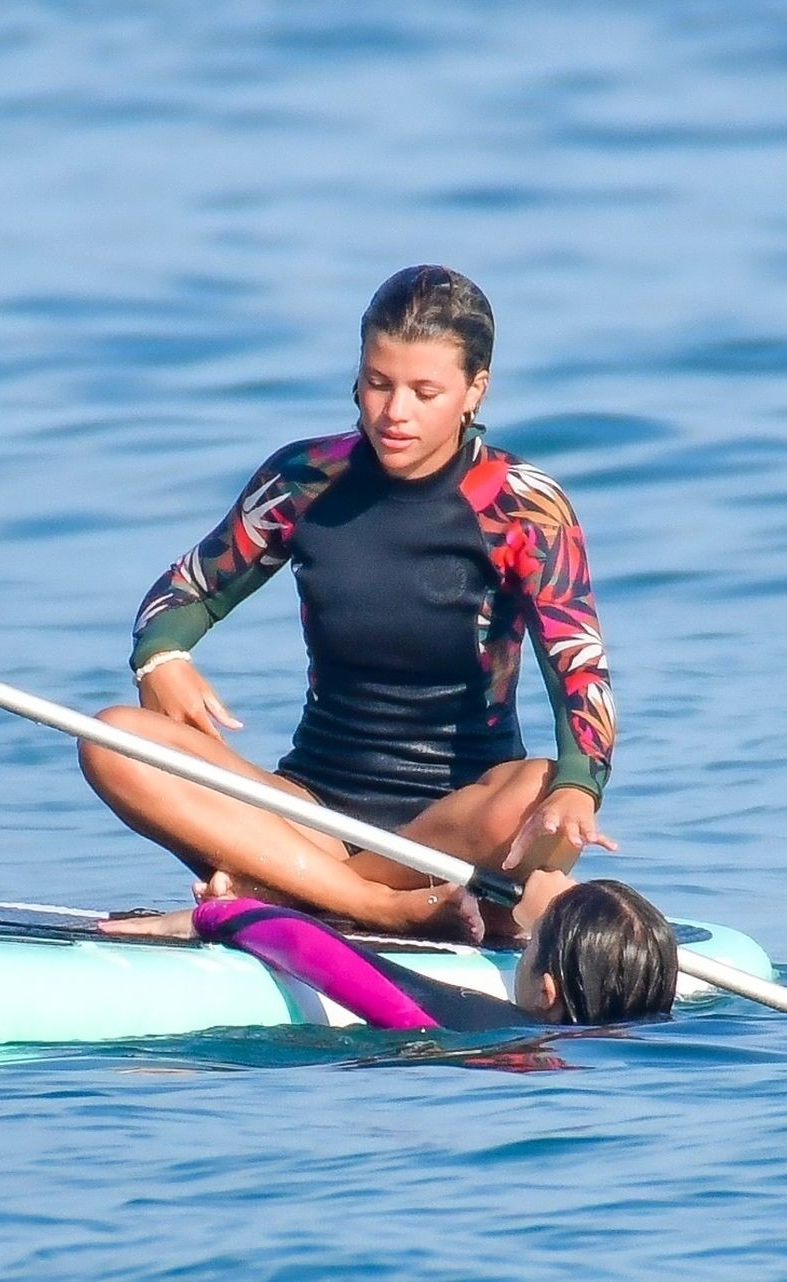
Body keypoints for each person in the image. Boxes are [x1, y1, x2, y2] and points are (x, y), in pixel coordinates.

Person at [80, 265, 617, 942]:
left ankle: (283, 888)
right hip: (310, 814)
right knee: (112, 739)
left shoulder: (523, 506)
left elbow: (579, 668)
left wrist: (579, 785)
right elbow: (188, 589)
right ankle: (374, 906)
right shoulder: (306, 480)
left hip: (457, 824)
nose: (395, 413)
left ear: (475, 390)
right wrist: (161, 656)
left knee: (541, 792)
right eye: (378, 383)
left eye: (425, 392)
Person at [104, 869, 677, 1030]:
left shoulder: (486, 1026)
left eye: (531, 948)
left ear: (547, 993)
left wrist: (213, 916)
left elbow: (314, 949)